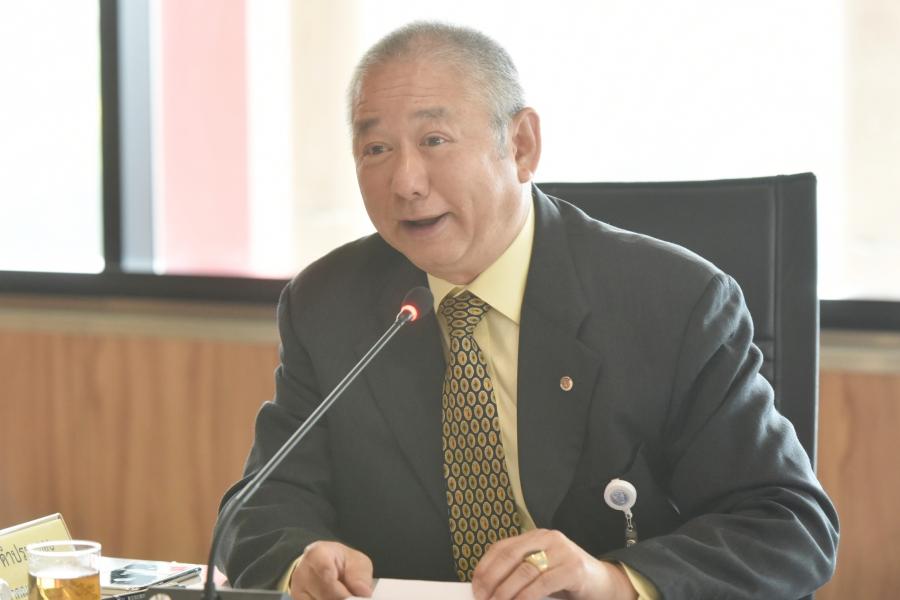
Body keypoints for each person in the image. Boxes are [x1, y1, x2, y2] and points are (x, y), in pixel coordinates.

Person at [215, 21, 838, 600]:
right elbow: (262, 506)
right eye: (375, 148)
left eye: (434, 140)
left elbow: (787, 525)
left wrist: (614, 581)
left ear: (521, 145)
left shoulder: (674, 302)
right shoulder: (328, 303)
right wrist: (299, 562)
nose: (405, 182)